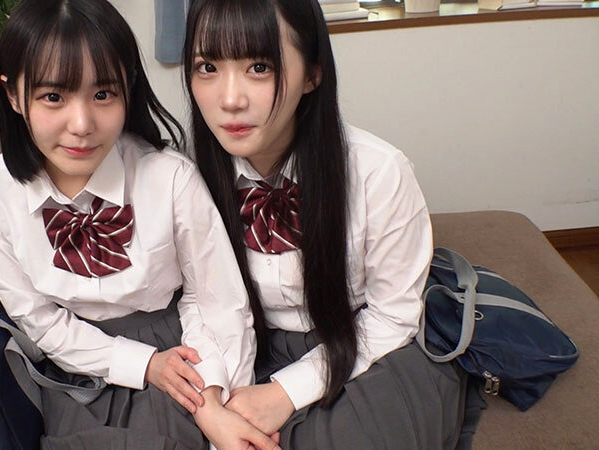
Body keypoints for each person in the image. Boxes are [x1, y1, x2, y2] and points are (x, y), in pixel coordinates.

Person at [0, 0, 276, 448]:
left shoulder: (169, 177)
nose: (82, 124)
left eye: (102, 95)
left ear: (127, 89)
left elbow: (218, 302)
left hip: (185, 355)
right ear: (13, 95)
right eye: (53, 97)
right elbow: (41, 321)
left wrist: (213, 402)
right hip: (76, 364)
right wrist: (141, 364)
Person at [183, 0, 477, 448]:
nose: (229, 99)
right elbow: (197, 301)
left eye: (259, 67)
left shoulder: (378, 172)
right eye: (208, 67)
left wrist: (285, 392)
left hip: (358, 345)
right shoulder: (185, 177)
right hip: (241, 344)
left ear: (313, 74)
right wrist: (212, 402)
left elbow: (392, 315)